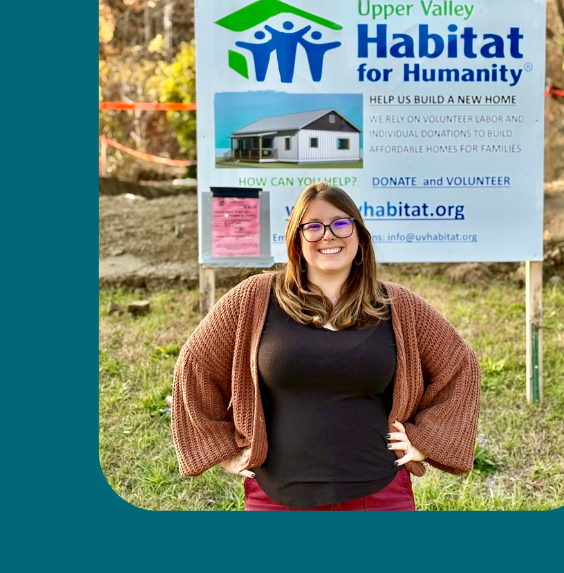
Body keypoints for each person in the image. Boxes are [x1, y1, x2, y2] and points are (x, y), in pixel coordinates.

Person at [171, 181, 481, 510]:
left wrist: (425, 440)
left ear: (360, 237)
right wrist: (224, 449)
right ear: (297, 240)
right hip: (277, 497)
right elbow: (195, 364)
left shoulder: (397, 305)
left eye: (341, 224)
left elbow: (461, 365)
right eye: (313, 226)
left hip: (379, 494)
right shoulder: (255, 298)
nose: (328, 235)